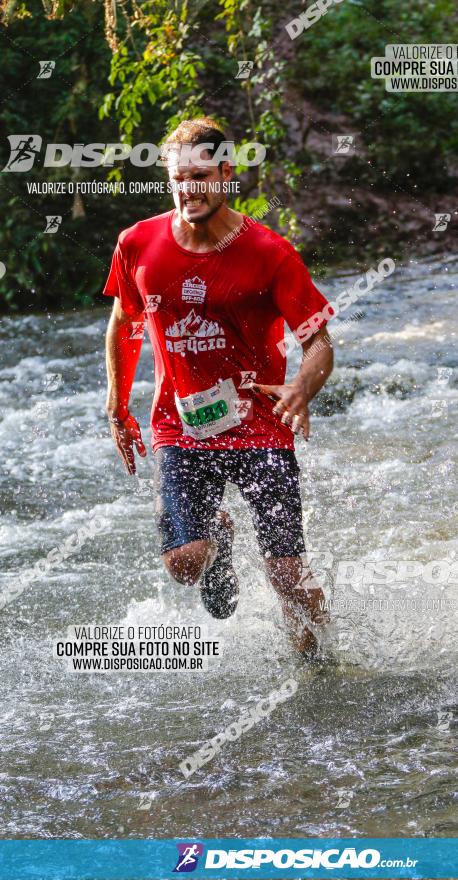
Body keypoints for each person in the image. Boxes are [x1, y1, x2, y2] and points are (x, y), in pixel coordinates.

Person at [103, 117, 334, 657]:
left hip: (261, 431)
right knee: (185, 564)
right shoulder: (138, 244)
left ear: (226, 173)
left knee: (286, 575)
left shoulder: (269, 252)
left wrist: (302, 385)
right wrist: (117, 404)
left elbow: (320, 342)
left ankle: (320, 663)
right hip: (180, 428)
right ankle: (218, 540)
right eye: (178, 178)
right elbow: (123, 321)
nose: (189, 189)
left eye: (200, 176)